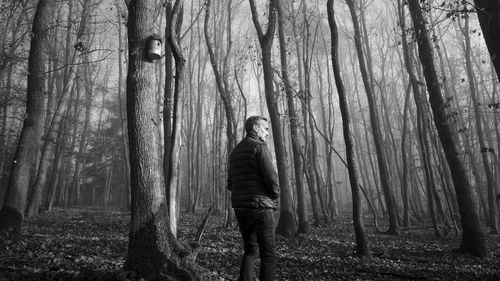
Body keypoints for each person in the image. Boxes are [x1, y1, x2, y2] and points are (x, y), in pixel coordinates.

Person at [227, 115, 280, 281]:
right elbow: (271, 178)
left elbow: (230, 183)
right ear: (255, 128)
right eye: (265, 129)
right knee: (268, 255)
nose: (267, 134)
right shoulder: (260, 147)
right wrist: (275, 194)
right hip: (260, 208)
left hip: (241, 208)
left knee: (250, 250)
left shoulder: (235, 151)